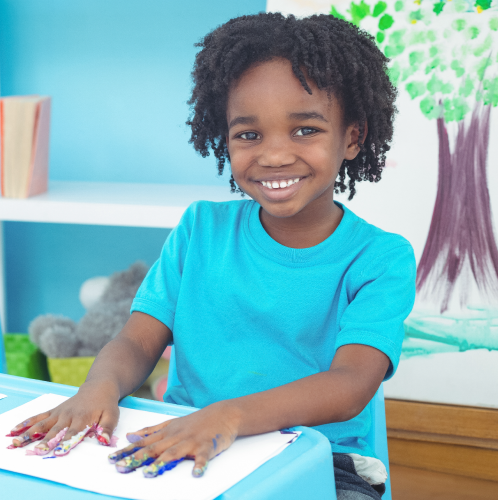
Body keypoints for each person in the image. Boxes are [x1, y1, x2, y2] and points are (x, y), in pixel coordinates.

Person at [10, 13, 416, 500]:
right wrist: (98, 386)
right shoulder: (200, 229)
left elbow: (350, 384)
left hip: (321, 457)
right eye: (249, 135)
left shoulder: (381, 259)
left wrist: (230, 415)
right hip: (185, 438)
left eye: (305, 130)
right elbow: (139, 342)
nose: (273, 155)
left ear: (352, 137)